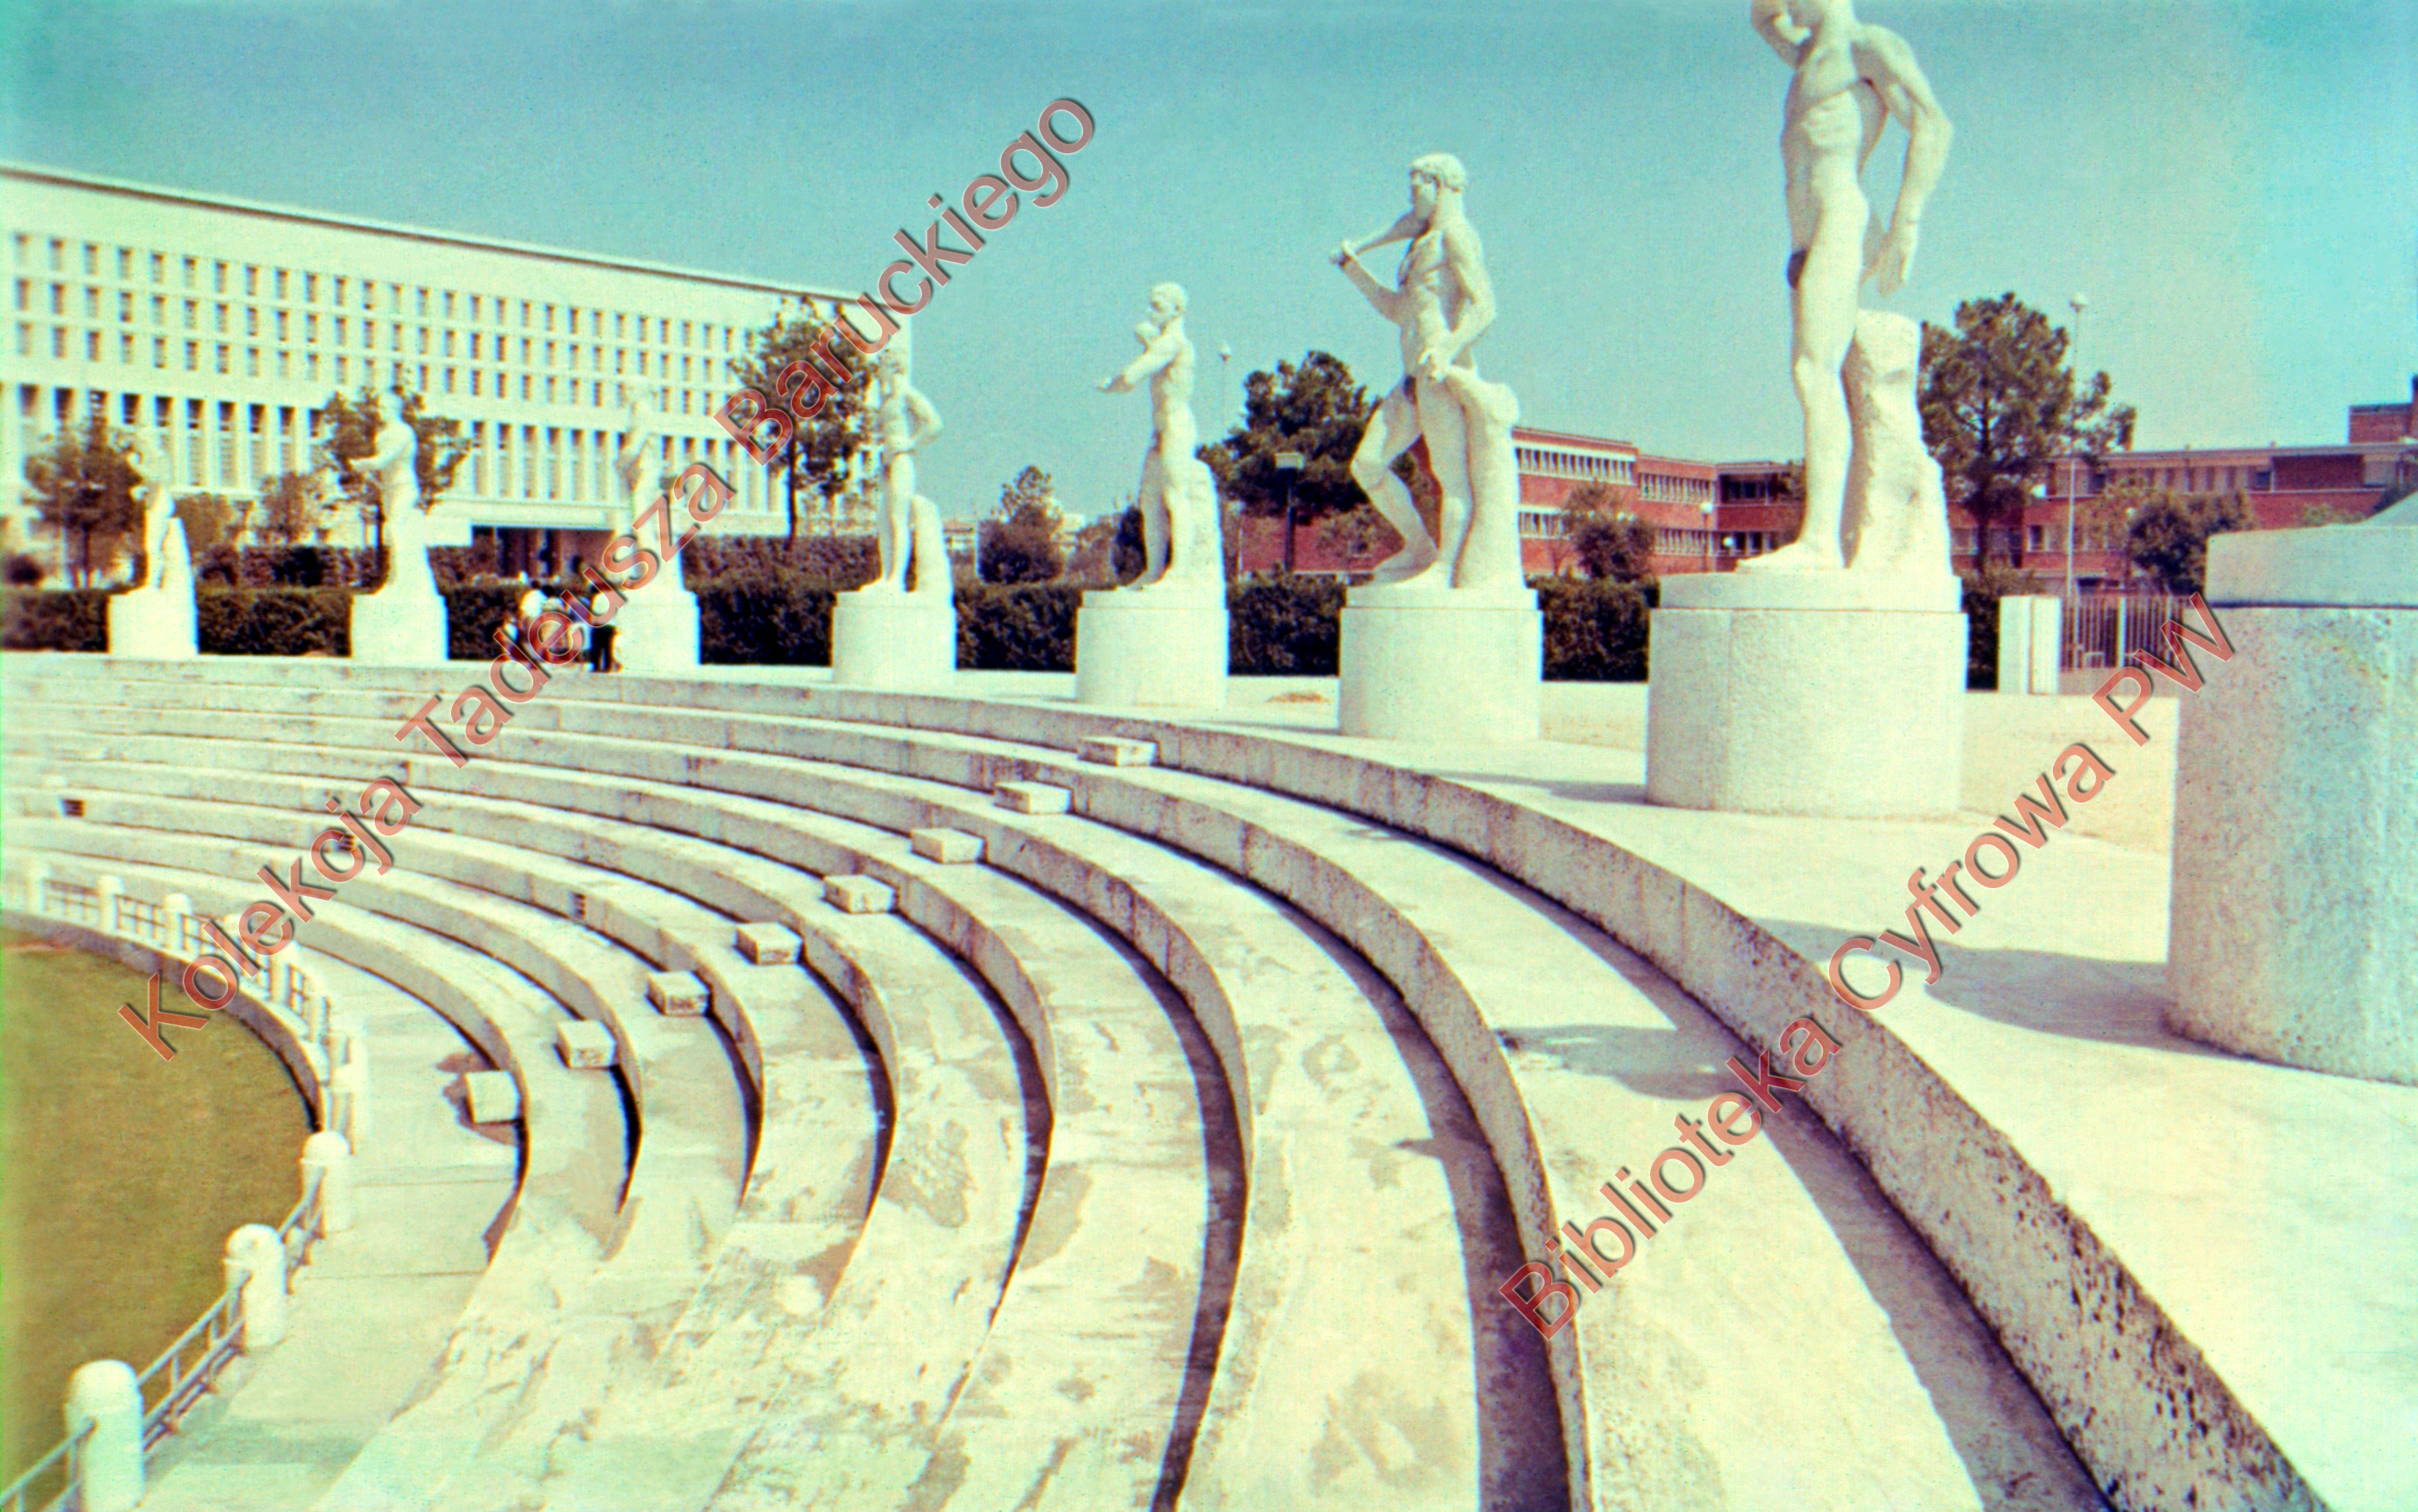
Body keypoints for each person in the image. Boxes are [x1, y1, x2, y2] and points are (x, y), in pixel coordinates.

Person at [1740, 0, 1951, 573]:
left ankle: (1819, 543)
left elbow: (1933, 122)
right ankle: (1825, 536)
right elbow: (1761, 20)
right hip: (1803, 238)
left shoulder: (1867, 45)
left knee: (1813, 371)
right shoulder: (1806, 56)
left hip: (1840, 219)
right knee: (1810, 371)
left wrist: (1906, 221)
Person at [1332, 153, 1499, 587]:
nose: (1411, 198)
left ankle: (1446, 570)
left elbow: (1485, 306)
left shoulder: (1457, 236)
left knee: (1451, 477)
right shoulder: (1422, 243)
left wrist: (1447, 348)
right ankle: (1421, 549)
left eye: (1417, 187)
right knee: (1367, 465)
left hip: (1441, 376)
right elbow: (1397, 309)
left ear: (1439, 185)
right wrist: (1353, 269)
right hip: (1411, 380)